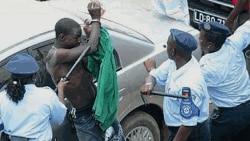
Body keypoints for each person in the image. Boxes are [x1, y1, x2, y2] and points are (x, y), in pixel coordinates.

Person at [46, 1, 124, 141]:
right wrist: (96, 19)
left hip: (97, 106)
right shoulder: (56, 56)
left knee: (117, 137)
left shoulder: (71, 50)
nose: (78, 42)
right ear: (62, 37)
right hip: (83, 115)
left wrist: (90, 33)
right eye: (75, 38)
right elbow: (91, 47)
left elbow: (92, 55)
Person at [140, 29, 210, 141]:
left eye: (167, 44)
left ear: (173, 51)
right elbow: (155, 75)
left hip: (190, 134)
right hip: (177, 127)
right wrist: (149, 84)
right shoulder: (176, 62)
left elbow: (188, 125)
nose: (165, 46)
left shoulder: (190, 84)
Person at [198, 18, 250, 140]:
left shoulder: (208, 67)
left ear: (210, 44)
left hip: (230, 116)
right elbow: (247, 28)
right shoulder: (233, 43)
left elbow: (189, 84)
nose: (199, 40)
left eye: (201, 38)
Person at [0, 53, 67, 141]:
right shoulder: (46, 95)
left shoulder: (2, 98)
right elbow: (60, 118)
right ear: (34, 76)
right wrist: (60, 90)